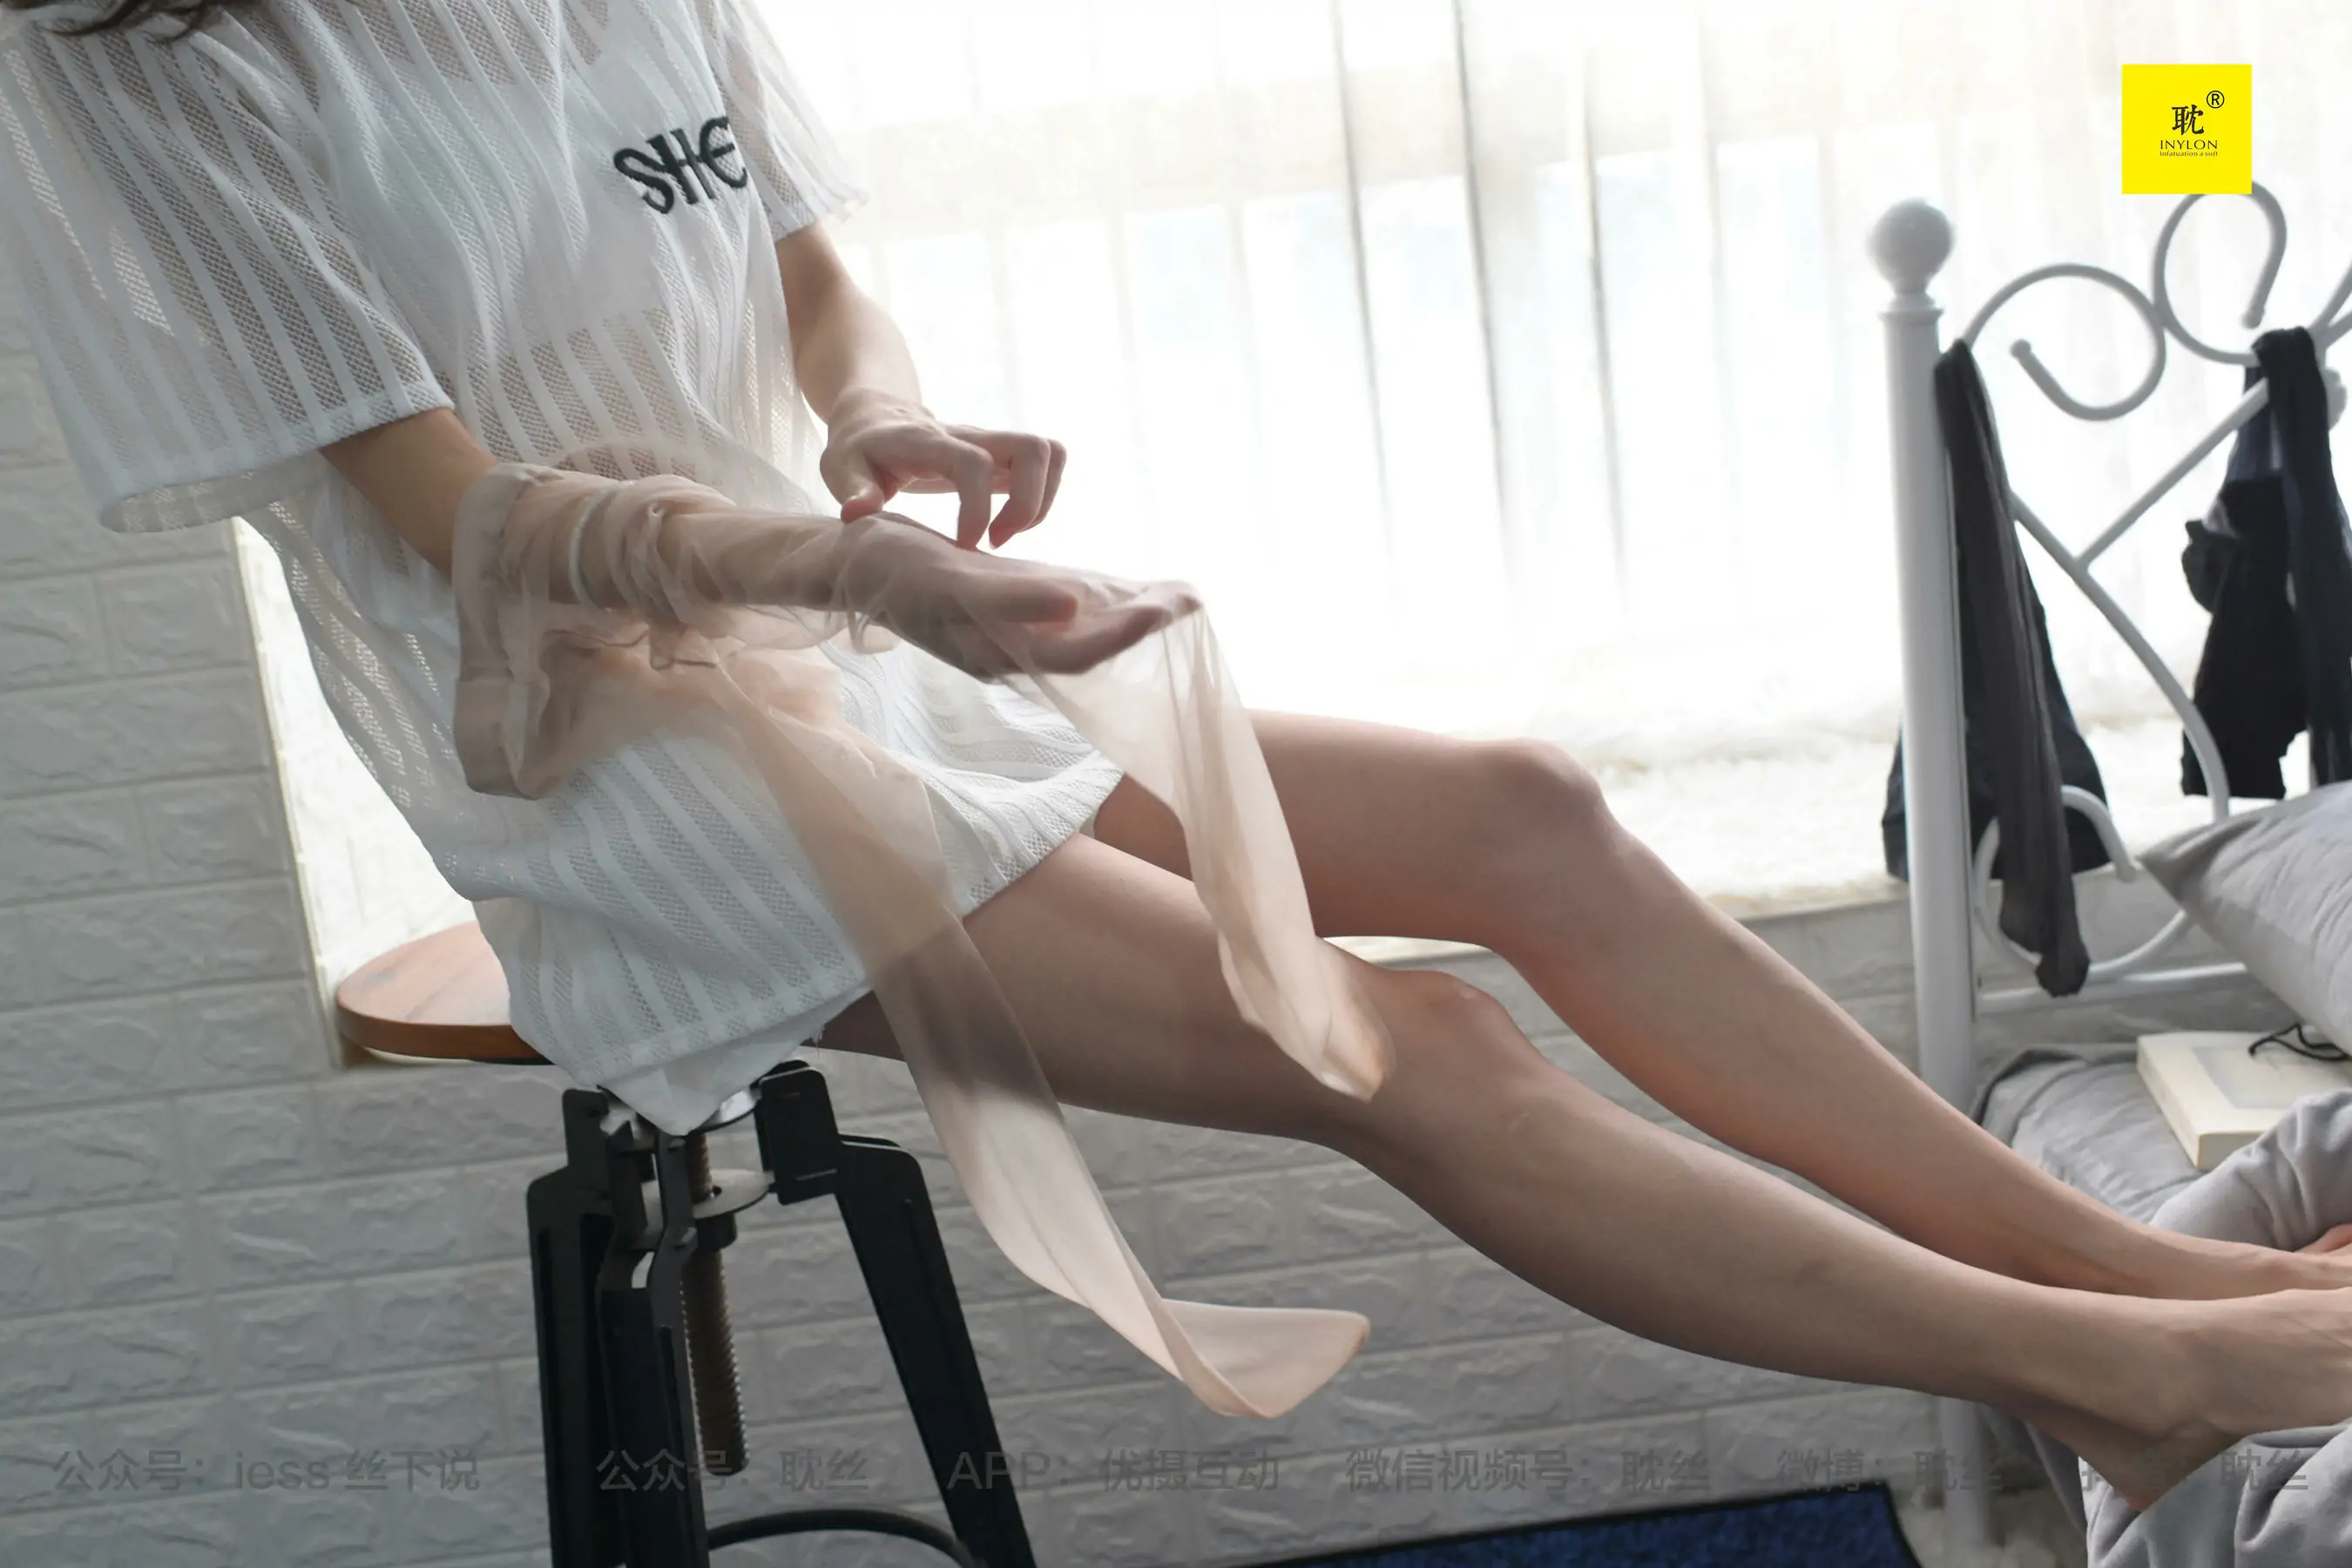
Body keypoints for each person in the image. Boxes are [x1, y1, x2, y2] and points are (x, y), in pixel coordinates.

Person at [4, 0, 2351, 1515]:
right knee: (1404, 1045)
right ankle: (2133, 1374)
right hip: (624, 766)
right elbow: (459, 517)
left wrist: (881, 425)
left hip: (845, 639)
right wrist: (861, 572)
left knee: (1523, 813)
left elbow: (804, 259)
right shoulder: (152, 63)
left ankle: (2133, 1293)